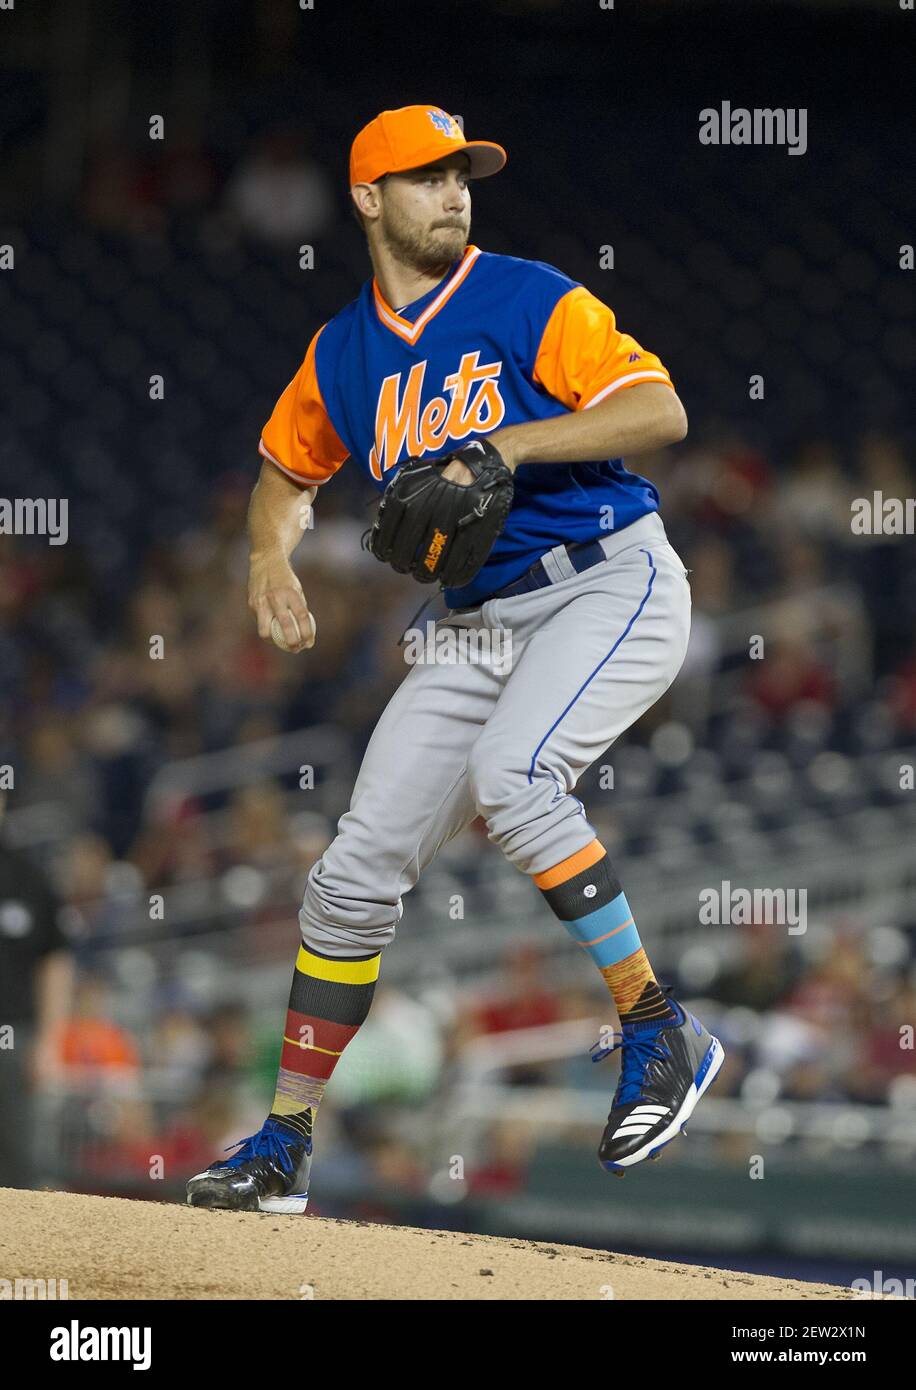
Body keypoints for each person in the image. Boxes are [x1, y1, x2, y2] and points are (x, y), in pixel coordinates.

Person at [187, 105, 724, 1214]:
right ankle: (283, 1145)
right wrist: (265, 561)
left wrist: (508, 445)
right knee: (348, 877)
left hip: (606, 576)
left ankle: (660, 1029)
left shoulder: (526, 295)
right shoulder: (341, 351)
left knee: (517, 781)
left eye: (462, 174)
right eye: (426, 177)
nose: (453, 192)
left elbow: (659, 406)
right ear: (368, 199)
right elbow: (287, 474)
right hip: (477, 617)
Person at [0, 792, 75, 1187]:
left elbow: (55, 962)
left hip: (15, 1041)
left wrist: (49, 1042)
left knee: (23, 1163)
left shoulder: (28, 878)